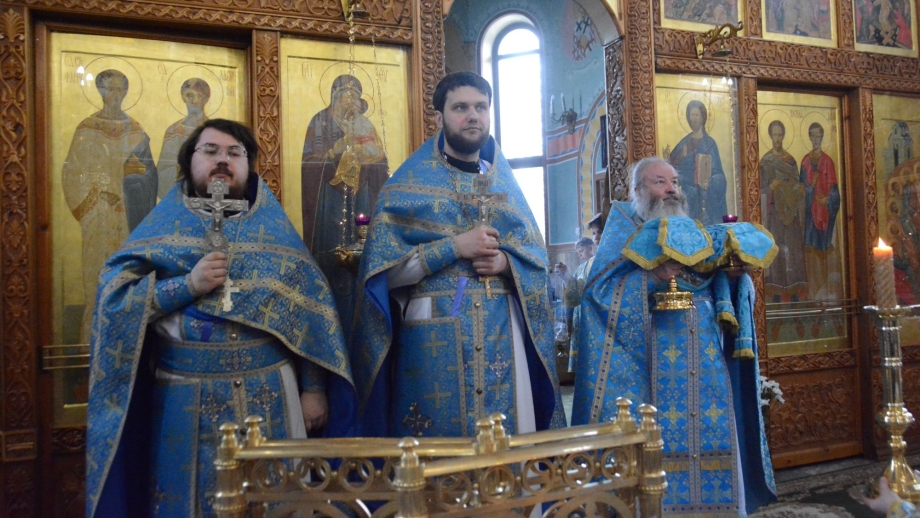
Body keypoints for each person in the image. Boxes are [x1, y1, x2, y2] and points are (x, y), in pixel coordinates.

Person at [85, 119, 356, 518]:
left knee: (277, 504)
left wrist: (314, 389)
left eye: (234, 153)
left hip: (271, 392)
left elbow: (310, 312)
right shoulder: (161, 229)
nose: (223, 160)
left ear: (248, 166)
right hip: (183, 396)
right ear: (189, 162)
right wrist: (188, 285)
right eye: (210, 151)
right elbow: (115, 301)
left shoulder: (275, 233)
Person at [350, 72, 565, 439]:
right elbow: (382, 274)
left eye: (481, 107)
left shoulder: (506, 187)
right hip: (432, 334)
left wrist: (506, 264)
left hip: (502, 330)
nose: (473, 116)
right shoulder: (406, 186)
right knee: (436, 447)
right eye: (461, 107)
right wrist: (453, 247)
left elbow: (536, 264)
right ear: (440, 117)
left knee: (506, 446)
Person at [571, 156, 777, 515]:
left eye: (675, 182)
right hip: (649, 371)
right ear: (637, 191)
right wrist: (653, 277)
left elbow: (712, 286)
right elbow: (597, 298)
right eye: (659, 182)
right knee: (657, 452)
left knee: (712, 443)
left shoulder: (693, 230)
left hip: (706, 364)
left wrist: (733, 276)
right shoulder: (622, 231)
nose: (671, 190)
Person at [62, 68, 158, 344]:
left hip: (129, 216)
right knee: (97, 276)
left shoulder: (136, 130)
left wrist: (133, 184)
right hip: (99, 216)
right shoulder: (87, 129)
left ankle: (129, 344)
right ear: (100, 91)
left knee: (130, 278)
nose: (115, 95)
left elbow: (150, 175)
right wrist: (100, 197)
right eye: (110, 89)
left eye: (120, 89)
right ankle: (91, 344)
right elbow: (72, 173)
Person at [301, 73, 389, 338]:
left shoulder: (364, 124)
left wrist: (370, 159)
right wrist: (334, 151)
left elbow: (382, 162)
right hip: (330, 196)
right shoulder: (320, 121)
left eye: (355, 97)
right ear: (334, 96)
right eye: (345, 96)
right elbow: (308, 163)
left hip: (361, 194)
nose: (350, 102)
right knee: (332, 250)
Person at [760, 120, 807, 302]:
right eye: (775, 135)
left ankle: (795, 293)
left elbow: (798, 185)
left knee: (793, 250)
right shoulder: (765, 162)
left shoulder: (790, 161)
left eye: (780, 135)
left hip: (791, 213)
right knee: (777, 249)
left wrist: (798, 189)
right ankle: (776, 294)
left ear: (784, 136)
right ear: (770, 136)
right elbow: (758, 191)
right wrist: (772, 186)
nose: (777, 139)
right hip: (774, 214)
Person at [666, 99, 728, 225]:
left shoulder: (710, 144)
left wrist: (710, 181)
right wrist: (667, 160)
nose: (693, 118)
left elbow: (718, 173)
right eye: (691, 115)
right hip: (688, 194)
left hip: (705, 196)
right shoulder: (684, 142)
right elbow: (674, 170)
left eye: (696, 115)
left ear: (702, 118)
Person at [800, 122, 842, 301]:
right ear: (809, 137)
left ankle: (828, 291)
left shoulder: (828, 162)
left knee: (826, 251)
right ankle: (814, 291)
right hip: (810, 215)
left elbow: (835, 192)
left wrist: (828, 200)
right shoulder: (805, 162)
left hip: (826, 216)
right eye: (813, 136)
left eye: (819, 136)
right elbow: (801, 192)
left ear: (822, 137)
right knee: (811, 251)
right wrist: (812, 186)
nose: (816, 139)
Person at [157, 78, 211, 198]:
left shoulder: (214, 131)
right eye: (190, 95)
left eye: (199, 96)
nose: (194, 100)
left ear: (206, 99)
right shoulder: (173, 132)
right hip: (179, 194)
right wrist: (183, 168)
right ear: (183, 98)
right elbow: (162, 171)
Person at [563, 237, 596, 372]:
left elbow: (582, 287)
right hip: (579, 313)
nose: (580, 255)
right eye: (578, 252)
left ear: (591, 247)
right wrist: (565, 277)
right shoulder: (580, 268)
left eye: (581, 251)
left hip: (591, 313)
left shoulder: (596, 263)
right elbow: (573, 291)